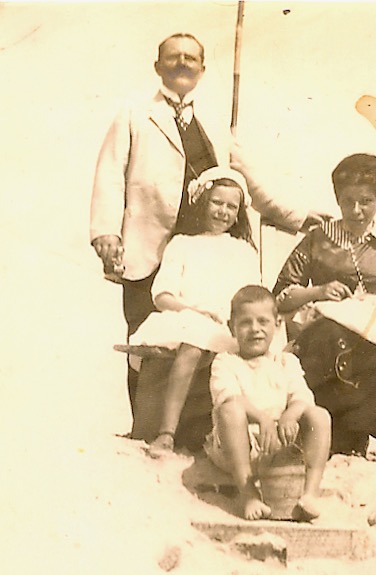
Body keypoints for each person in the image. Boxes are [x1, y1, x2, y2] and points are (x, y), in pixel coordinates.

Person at [90, 32, 325, 415]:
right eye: (173, 56)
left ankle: (196, 428)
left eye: (190, 57)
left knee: (211, 335)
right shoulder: (134, 114)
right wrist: (105, 232)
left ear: (201, 68)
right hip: (149, 246)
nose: (182, 62)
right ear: (157, 66)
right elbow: (110, 174)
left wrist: (294, 216)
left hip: (203, 248)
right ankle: (145, 425)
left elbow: (246, 175)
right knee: (146, 334)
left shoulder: (213, 120)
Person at [272, 153, 376, 456]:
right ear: (338, 200)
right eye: (347, 201)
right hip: (327, 331)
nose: (356, 210)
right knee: (331, 334)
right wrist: (318, 291)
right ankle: (338, 431)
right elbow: (280, 295)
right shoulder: (319, 238)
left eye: (365, 201)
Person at [130, 166, 260, 454]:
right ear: (202, 201)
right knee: (193, 342)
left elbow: (252, 298)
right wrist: (193, 312)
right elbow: (162, 296)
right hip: (184, 319)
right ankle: (166, 433)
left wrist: (232, 321)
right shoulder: (183, 244)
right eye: (217, 202)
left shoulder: (244, 252)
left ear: (239, 213)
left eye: (231, 206)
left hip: (227, 326)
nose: (223, 212)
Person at [204, 285, 331, 521]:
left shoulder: (286, 361)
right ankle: (249, 494)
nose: (255, 330)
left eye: (263, 321)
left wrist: (289, 416)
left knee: (319, 415)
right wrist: (263, 418)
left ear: (277, 324)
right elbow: (229, 398)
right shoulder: (226, 361)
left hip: (281, 440)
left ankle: (310, 494)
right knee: (230, 409)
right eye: (245, 323)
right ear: (232, 327)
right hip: (239, 445)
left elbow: (301, 397)